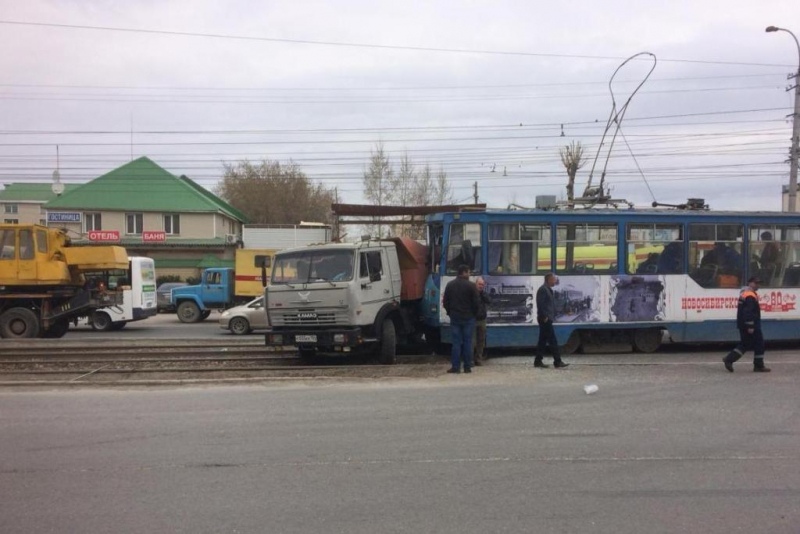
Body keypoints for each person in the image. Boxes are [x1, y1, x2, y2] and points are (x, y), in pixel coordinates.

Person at [722, 276, 770, 373]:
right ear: (750, 283)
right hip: (751, 324)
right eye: (756, 283)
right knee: (759, 343)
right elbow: (748, 312)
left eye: (759, 283)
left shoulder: (745, 293)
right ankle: (758, 365)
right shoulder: (750, 295)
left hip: (743, 324)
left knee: (745, 344)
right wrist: (750, 326)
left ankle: (729, 359)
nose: (758, 285)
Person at [442, 264, 480, 374]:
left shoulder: (450, 285)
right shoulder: (471, 286)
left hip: (455, 318)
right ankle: (467, 367)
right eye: (468, 272)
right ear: (464, 272)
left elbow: (445, 302)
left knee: (456, 343)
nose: (469, 274)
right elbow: (476, 303)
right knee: (468, 342)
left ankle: (455, 367)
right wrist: (473, 314)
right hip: (468, 318)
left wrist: (450, 313)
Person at [533, 273, 569, 369]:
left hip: (547, 318)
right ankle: (557, 361)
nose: (555, 281)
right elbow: (540, 304)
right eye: (553, 280)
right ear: (548, 280)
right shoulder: (543, 290)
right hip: (545, 319)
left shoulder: (548, 290)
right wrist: (544, 316)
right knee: (553, 340)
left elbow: (549, 305)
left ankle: (537, 361)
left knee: (542, 341)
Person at [473, 277, 491, 366]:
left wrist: (482, 294)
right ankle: (470, 360)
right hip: (473, 319)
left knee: (481, 341)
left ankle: (478, 359)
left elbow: (489, 301)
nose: (481, 286)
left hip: (482, 320)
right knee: (472, 342)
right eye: (479, 284)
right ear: (476, 284)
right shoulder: (472, 293)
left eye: (482, 285)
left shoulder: (484, 294)